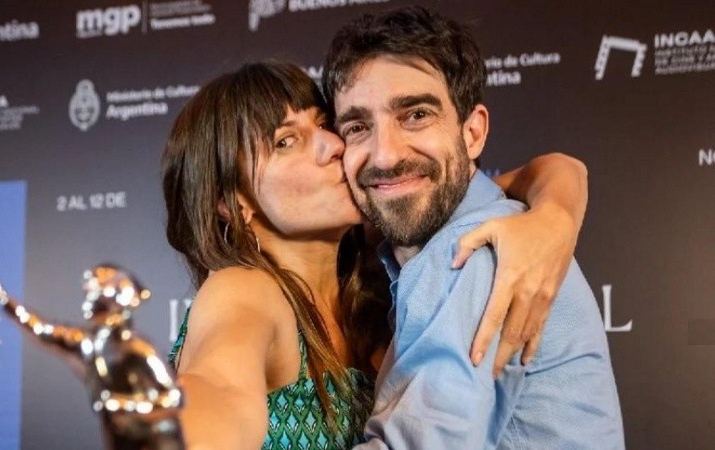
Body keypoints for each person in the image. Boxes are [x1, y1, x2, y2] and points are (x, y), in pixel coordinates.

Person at [162, 61, 588, 449]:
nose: (331, 146)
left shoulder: (382, 264)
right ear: (233, 203)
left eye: (324, 124)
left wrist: (555, 214)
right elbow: (217, 389)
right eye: (286, 141)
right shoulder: (244, 289)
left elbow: (548, 170)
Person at [323, 6, 624, 449]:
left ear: (472, 133)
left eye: (416, 115)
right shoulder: (464, 233)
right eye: (358, 126)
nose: (385, 154)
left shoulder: (471, 250)